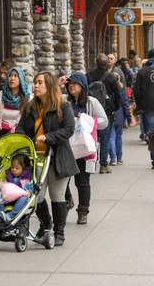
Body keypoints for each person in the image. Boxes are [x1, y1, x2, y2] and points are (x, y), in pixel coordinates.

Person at [16, 71, 78, 246]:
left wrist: (48, 137)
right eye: (35, 82)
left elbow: (69, 129)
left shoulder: (63, 106)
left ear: (49, 85)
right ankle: (46, 224)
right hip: (37, 158)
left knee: (57, 196)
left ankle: (59, 233)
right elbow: (21, 128)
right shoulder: (30, 107)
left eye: (40, 82)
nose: (36, 85)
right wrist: (20, 138)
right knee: (38, 196)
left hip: (58, 158)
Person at [65, 72, 107, 224]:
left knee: (82, 181)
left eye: (74, 83)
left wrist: (87, 120)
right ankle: (67, 199)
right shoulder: (65, 101)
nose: (71, 86)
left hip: (84, 147)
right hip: (67, 146)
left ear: (82, 86)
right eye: (69, 84)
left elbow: (104, 121)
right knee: (62, 177)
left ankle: (83, 210)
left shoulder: (92, 102)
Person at [87, 53, 121, 174]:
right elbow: (118, 96)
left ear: (96, 63)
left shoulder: (89, 76)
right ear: (107, 64)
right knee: (105, 139)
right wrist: (115, 109)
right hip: (106, 112)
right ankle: (103, 164)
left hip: (90, 112)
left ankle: (90, 162)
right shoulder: (110, 78)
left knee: (91, 138)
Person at [0, 66, 31, 150]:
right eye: (10, 75)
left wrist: (17, 128)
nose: (12, 78)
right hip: (2, 138)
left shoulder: (29, 98)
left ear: (21, 78)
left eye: (15, 76)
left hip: (21, 137)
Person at [0, 154, 33, 223]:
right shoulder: (8, 176)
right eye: (12, 167)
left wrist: (30, 192)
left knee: (24, 198)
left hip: (18, 199)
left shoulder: (27, 179)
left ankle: (9, 215)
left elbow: (31, 189)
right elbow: (4, 186)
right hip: (7, 197)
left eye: (17, 168)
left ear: (24, 168)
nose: (14, 170)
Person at [109, 71, 132, 165]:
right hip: (120, 114)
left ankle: (113, 158)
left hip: (110, 113)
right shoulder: (121, 89)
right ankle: (119, 157)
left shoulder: (107, 88)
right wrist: (129, 117)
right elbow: (125, 103)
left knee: (111, 136)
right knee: (118, 137)